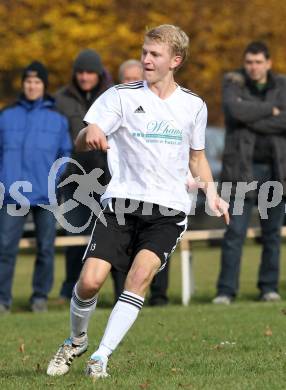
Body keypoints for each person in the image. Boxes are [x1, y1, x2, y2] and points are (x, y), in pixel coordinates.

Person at [47, 24, 229, 379]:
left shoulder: (194, 105)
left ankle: (100, 356)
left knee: (140, 275)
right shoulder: (120, 95)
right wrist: (91, 132)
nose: (146, 59)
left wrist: (213, 193)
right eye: (144, 52)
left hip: (168, 211)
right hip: (121, 205)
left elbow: (197, 158)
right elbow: (84, 139)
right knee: (89, 282)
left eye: (154, 54)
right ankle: (76, 339)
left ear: (175, 60)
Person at [213, 41, 286, 305]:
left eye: (258, 62)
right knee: (234, 234)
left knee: (272, 234)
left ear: (268, 63)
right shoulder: (233, 82)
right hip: (240, 172)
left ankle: (268, 288)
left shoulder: (282, 85)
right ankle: (225, 291)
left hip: (275, 172)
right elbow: (235, 110)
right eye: (249, 62)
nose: (253, 67)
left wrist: (250, 117)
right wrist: (271, 111)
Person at [0, 61, 71, 314]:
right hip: (11, 195)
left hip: (46, 195)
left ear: (43, 85)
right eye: (28, 81)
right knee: (5, 248)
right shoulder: (6, 116)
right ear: (23, 84)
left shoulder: (57, 120)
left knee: (46, 248)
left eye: (37, 82)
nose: (32, 86)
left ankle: (39, 297)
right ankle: (2, 301)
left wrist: (54, 181)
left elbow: (65, 154)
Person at [55, 49, 113, 301]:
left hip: (108, 180)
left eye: (90, 72)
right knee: (75, 237)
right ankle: (71, 289)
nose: (85, 77)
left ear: (98, 73)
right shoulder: (60, 100)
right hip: (73, 180)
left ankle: (117, 291)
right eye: (80, 72)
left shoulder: (112, 97)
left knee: (111, 236)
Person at [111, 59, 170, 306]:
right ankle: (121, 296)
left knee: (155, 245)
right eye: (128, 78)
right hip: (123, 192)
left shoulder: (161, 108)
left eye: (138, 77)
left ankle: (158, 296)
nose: (134, 83)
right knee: (120, 247)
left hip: (157, 192)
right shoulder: (114, 106)